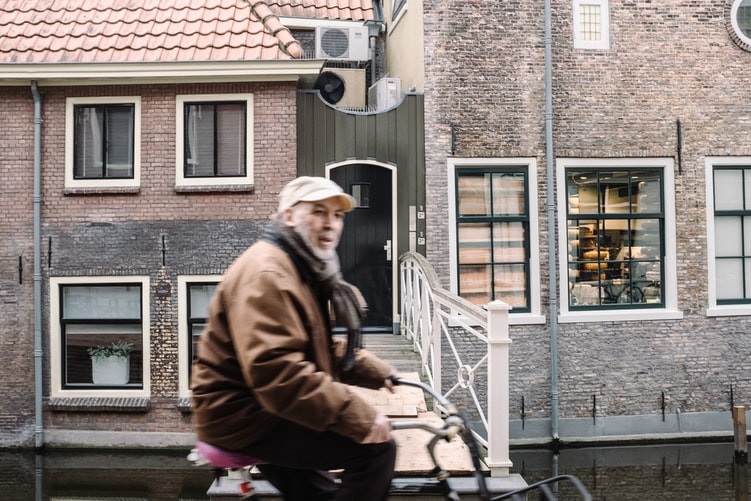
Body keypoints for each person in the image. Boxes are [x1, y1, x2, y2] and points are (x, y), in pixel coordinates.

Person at [191, 176, 398, 501]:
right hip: (245, 417)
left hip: (257, 409)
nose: (330, 224)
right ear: (288, 216)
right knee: (377, 450)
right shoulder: (269, 275)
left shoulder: (297, 265)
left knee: (320, 493)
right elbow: (279, 372)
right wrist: (360, 417)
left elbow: (313, 345)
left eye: (337, 215)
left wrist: (376, 371)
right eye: (318, 212)